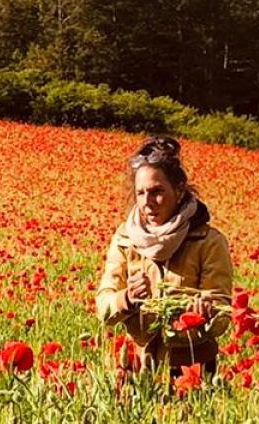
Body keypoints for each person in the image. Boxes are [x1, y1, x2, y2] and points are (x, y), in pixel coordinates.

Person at [94, 136, 235, 378]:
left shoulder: (208, 241)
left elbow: (222, 310)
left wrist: (205, 313)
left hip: (192, 367)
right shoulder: (125, 239)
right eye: (140, 193)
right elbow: (103, 306)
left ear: (179, 191)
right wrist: (126, 298)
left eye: (157, 191)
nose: (147, 202)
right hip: (139, 365)